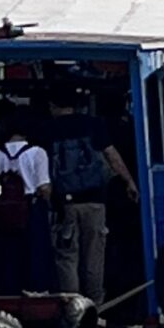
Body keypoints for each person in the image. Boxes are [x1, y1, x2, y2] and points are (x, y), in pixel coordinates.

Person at [44, 81, 137, 302]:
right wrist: (129, 182)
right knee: (94, 257)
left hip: (64, 205)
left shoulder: (47, 130)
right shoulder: (93, 124)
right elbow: (112, 156)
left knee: (67, 258)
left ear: (52, 105)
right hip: (95, 201)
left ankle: (72, 307)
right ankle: (96, 306)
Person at [0, 117, 53, 292]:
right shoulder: (37, 152)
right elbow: (43, 187)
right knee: (34, 254)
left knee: (6, 256)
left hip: (2, 210)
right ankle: (34, 291)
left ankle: (8, 292)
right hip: (31, 207)